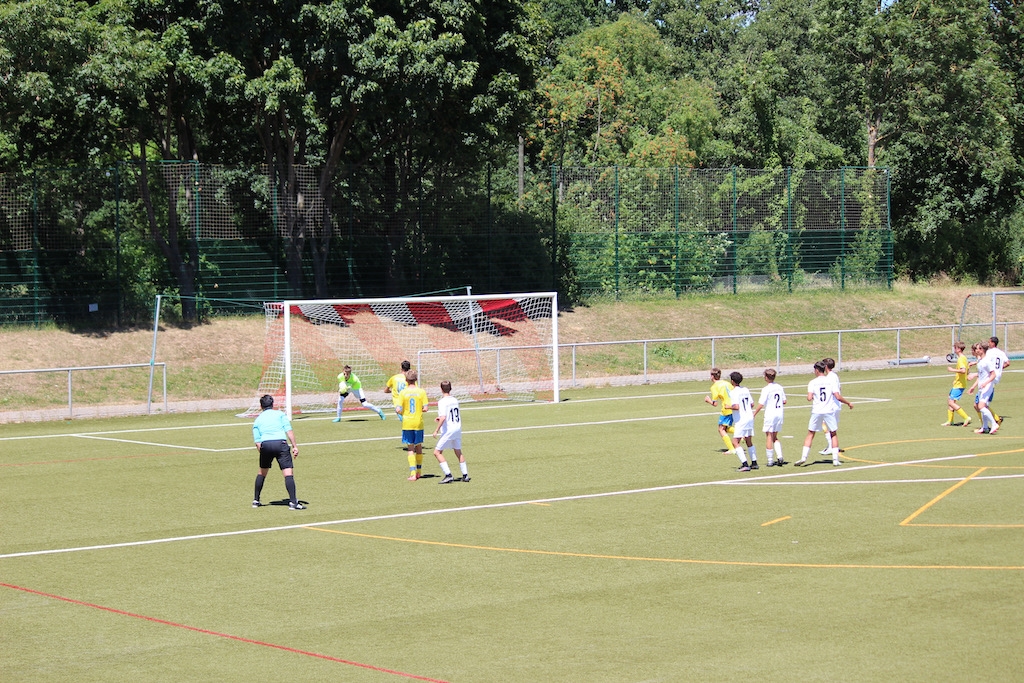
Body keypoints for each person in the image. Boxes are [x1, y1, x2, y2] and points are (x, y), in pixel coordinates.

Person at [251, 394, 304, 509]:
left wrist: (264, 453)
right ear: (273, 404)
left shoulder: (258, 420)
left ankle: (256, 500)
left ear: (261, 406)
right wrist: (295, 446)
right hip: (281, 444)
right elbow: (289, 430)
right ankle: (293, 502)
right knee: (288, 473)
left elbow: (257, 442)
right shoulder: (280, 414)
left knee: (262, 473)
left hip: (266, 445)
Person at [796, 361, 851, 467]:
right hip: (829, 411)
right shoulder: (830, 381)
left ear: (817, 370)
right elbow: (838, 396)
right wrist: (848, 403)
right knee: (833, 433)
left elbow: (809, 398)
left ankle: (803, 458)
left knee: (810, 433)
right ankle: (835, 459)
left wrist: (813, 396)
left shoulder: (812, 382)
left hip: (817, 411)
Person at [432, 380, 470, 483]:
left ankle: (448, 475)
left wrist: (436, 430)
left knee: (437, 452)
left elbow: (443, 417)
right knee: (458, 451)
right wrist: (440, 418)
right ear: (451, 388)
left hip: (449, 430)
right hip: (457, 428)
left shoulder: (442, 402)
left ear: (441, 389)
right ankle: (465, 475)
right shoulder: (455, 400)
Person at [397, 370, 429, 480]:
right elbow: (426, 408)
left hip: (407, 423)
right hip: (418, 423)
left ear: (406, 380)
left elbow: (398, 409)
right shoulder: (421, 392)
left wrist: (402, 412)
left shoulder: (403, 393)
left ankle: (412, 473)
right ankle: (419, 472)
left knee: (410, 449)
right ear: (416, 380)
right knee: (419, 446)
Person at [752, 368, 787, 466]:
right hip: (779, 413)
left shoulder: (766, 389)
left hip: (770, 414)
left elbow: (761, 404)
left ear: (766, 377)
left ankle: (770, 460)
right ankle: (780, 456)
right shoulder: (779, 387)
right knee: (775, 436)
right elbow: (784, 401)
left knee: (769, 436)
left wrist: (754, 413)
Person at [726, 372, 758, 471]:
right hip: (749, 417)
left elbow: (736, 406)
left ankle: (745, 464)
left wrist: (728, 407)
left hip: (741, 419)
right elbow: (752, 404)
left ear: (732, 381)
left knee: (735, 442)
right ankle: (754, 462)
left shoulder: (733, 392)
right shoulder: (745, 389)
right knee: (748, 440)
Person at [969, 341, 998, 434]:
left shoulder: (987, 361)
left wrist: (986, 383)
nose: (977, 350)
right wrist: (974, 380)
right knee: (983, 407)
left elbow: (993, 374)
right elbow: (981, 374)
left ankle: (994, 424)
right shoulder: (980, 361)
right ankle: (985, 427)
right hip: (982, 387)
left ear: (983, 350)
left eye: (979, 348)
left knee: (981, 406)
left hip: (987, 387)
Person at [703, 368, 735, 452]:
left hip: (726, 408)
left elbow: (715, 404)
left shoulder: (714, 387)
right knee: (725, 428)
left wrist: (708, 400)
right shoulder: (727, 383)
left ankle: (732, 449)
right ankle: (740, 435)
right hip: (734, 406)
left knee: (721, 429)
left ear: (712, 376)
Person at [941, 341, 972, 427]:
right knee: (950, 399)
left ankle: (966, 417)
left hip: (959, 384)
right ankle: (950, 421)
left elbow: (963, 370)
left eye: (955, 348)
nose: (954, 349)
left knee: (951, 402)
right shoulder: (964, 358)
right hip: (958, 383)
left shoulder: (961, 359)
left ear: (958, 349)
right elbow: (967, 369)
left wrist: (952, 370)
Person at [986, 336, 1009, 425]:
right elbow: (1008, 363)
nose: (988, 343)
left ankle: (994, 419)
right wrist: (999, 369)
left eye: (989, 342)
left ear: (993, 343)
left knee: (983, 403)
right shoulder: (1001, 352)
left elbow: (986, 362)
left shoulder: (989, 352)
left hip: (990, 376)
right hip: (997, 376)